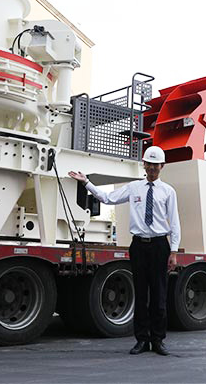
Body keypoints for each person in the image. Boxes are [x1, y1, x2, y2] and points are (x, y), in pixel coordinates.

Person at [68, 145, 180, 356]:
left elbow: (174, 223)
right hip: (139, 246)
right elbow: (108, 198)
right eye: (149, 164)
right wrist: (86, 182)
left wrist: (173, 251)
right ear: (144, 165)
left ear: (162, 166)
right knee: (141, 294)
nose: (152, 168)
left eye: (156, 165)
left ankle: (158, 340)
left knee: (159, 297)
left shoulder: (168, 191)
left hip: (159, 246)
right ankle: (142, 340)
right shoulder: (134, 188)